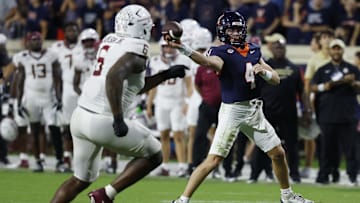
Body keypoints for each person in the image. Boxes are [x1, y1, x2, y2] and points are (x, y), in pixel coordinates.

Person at [169, 11, 313, 203]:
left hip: (255, 111)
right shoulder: (220, 51)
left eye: (238, 29)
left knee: (278, 153)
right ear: (223, 31)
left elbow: (276, 79)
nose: (236, 33)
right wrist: (185, 49)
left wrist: (265, 73)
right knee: (214, 160)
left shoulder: (254, 49)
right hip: (233, 111)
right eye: (231, 29)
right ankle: (182, 200)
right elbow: (208, 62)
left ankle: (287, 197)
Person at [50, 4, 188, 203]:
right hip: (103, 119)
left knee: (80, 179)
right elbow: (114, 77)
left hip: (80, 117)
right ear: (140, 27)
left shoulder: (110, 40)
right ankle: (105, 195)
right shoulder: (138, 48)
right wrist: (118, 117)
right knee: (155, 155)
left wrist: (165, 74)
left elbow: (132, 86)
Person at [310, 38, 360, 185]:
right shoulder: (323, 69)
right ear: (330, 51)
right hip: (327, 115)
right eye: (334, 48)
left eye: (339, 49)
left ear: (343, 50)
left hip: (347, 115)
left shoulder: (352, 69)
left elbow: (359, 86)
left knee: (350, 148)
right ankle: (325, 175)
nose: (336, 51)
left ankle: (352, 176)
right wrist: (328, 85)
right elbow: (313, 87)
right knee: (327, 148)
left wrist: (354, 83)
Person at [16, 31, 62, 172]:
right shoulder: (23, 57)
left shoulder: (51, 55)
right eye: (33, 40)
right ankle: (38, 161)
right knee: (34, 129)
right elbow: (20, 81)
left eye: (38, 40)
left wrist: (59, 98)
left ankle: (60, 161)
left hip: (48, 98)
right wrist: (19, 101)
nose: (36, 42)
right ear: (28, 42)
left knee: (54, 129)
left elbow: (57, 78)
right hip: (31, 98)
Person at [146, 38, 193, 177]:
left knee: (179, 135)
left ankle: (182, 166)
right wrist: (149, 104)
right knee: (163, 135)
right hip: (161, 102)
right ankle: (164, 166)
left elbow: (189, 84)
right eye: (165, 47)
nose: (168, 49)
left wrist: (187, 101)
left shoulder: (183, 61)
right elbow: (153, 86)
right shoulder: (155, 62)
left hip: (178, 102)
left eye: (170, 47)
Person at [50, 21, 82, 171]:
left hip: (83, 88)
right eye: (69, 30)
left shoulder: (84, 47)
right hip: (66, 88)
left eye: (74, 30)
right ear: (65, 32)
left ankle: (80, 157)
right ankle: (67, 155)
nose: (71, 33)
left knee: (82, 126)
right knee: (67, 126)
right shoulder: (56, 48)